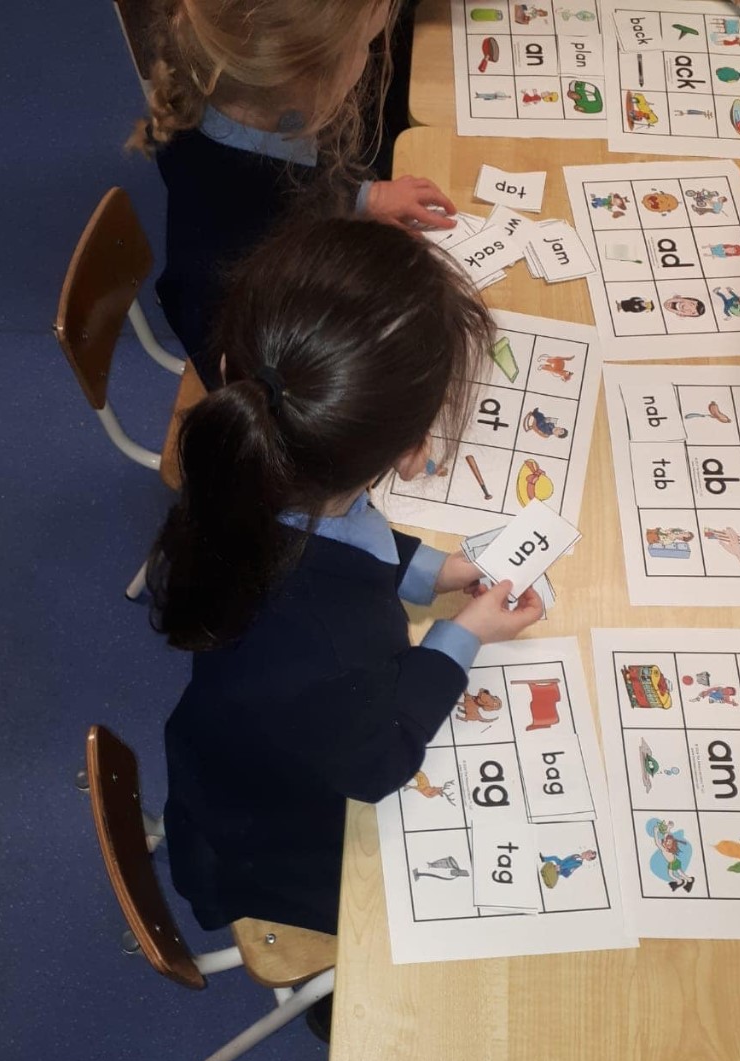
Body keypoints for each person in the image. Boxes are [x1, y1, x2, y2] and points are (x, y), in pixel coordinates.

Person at [148, 217, 543, 940]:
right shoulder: (329, 641)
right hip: (272, 847)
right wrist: (459, 638)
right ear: (412, 453)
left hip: (234, 752)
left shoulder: (247, 467)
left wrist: (435, 571)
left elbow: (347, 529)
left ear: (231, 367)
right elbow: (376, 761)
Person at [129, 0, 458, 386]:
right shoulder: (234, 262)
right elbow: (251, 390)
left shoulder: (235, 108)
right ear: (314, 81)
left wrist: (364, 197)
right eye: (363, 46)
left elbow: (294, 182)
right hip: (261, 372)